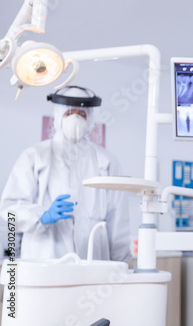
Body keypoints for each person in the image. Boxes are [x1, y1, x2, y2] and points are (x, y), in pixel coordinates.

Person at [0, 85, 130, 262]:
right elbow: (10, 208)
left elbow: (118, 222)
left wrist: (120, 266)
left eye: (82, 114)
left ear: (90, 119)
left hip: (93, 263)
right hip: (44, 260)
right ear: (58, 116)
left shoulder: (106, 162)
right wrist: (41, 216)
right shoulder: (35, 156)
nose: (76, 119)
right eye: (69, 113)